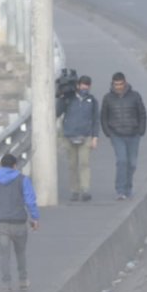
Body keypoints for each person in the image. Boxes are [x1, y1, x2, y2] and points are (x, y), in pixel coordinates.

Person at [0, 153, 39, 292]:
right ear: (14, 165)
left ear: (1, 165)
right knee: (20, 253)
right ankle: (23, 282)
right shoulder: (22, 179)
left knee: (4, 255)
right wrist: (35, 218)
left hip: (1, 223)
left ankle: (6, 285)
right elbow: (30, 201)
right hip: (19, 222)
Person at [100, 71, 147, 201]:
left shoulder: (135, 96)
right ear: (112, 84)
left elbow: (142, 113)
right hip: (117, 135)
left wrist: (141, 130)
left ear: (125, 83)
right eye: (116, 84)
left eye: (120, 84)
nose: (118, 87)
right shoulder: (108, 98)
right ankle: (120, 190)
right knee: (122, 161)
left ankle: (128, 187)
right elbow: (103, 116)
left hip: (133, 134)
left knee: (132, 163)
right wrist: (108, 132)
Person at [57, 74, 100, 202]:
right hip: (69, 136)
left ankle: (85, 189)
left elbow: (95, 120)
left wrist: (95, 137)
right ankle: (74, 190)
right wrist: (61, 98)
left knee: (84, 163)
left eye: (87, 85)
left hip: (86, 136)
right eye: (83, 85)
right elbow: (57, 112)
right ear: (78, 85)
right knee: (72, 165)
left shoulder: (92, 101)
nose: (85, 87)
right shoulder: (68, 99)